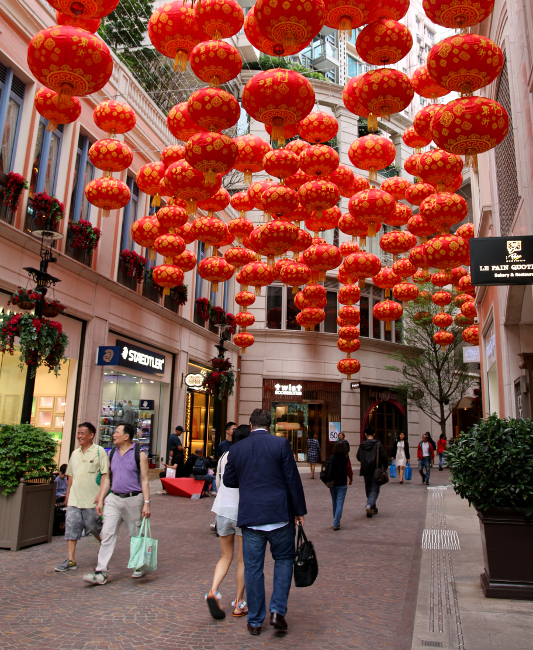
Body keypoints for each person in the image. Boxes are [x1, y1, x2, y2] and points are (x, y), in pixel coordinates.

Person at [223, 408, 307, 636]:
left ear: (250, 425)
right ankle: (278, 611)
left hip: (251, 517)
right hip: (279, 514)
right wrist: (299, 510)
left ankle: (255, 620)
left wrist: (249, 480)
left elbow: (229, 480)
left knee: (253, 568)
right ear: (269, 425)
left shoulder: (237, 448)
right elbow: (292, 478)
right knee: (283, 560)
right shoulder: (280, 445)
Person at [83, 422, 151, 585]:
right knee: (107, 533)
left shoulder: (139, 454)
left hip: (134, 499)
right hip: (114, 498)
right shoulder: (111, 453)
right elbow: (107, 479)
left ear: (126, 436)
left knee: (135, 534)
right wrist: (101, 499)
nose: (113, 435)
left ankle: (138, 566)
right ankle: (101, 571)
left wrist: (147, 503)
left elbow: (145, 480)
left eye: (117, 432)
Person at [206, 425, 251, 620]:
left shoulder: (225, 456)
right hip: (241, 511)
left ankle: (213, 591)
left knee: (225, 556)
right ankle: (239, 603)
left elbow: (217, 481)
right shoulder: (248, 456)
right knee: (243, 560)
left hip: (222, 510)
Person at [55, 423, 109, 572]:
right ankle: (71, 559)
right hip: (75, 499)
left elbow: (105, 475)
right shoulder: (75, 453)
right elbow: (70, 476)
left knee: (94, 528)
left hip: (92, 500)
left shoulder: (99, 451)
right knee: (71, 528)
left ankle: (106, 548)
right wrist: (68, 493)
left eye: (82, 433)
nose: (79, 436)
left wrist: (101, 495)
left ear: (91, 435)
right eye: (78, 433)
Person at [356, 426, 388, 518]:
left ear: (365, 434)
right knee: (375, 489)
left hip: (365, 469)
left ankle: (372, 506)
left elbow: (358, 457)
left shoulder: (362, 445)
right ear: (374, 434)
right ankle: (369, 505)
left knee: (368, 488)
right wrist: (384, 468)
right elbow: (384, 457)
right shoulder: (378, 444)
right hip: (376, 469)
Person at [329, 441, 353, 531]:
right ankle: (336, 522)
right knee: (339, 503)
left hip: (333, 483)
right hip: (342, 484)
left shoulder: (332, 458)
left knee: (334, 503)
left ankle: (336, 520)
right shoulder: (346, 460)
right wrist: (351, 479)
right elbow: (349, 471)